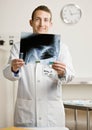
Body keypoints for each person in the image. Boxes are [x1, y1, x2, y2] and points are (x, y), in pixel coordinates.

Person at [3, 5, 75, 127]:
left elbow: (70, 74)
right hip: (26, 112)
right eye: (37, 19)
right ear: (31, 22)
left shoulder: (61, 48)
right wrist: (13, 68)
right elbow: (7, 73)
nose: (42, 23)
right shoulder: (18, 47)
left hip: (52, 114)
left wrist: (63, 72)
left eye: (46, 20)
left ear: (51, 23)